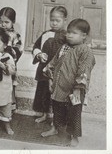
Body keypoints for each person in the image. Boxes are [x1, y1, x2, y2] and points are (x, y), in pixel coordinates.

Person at [41, 18, 96, 147]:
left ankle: (74, 137)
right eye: (68, 32)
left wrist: (78, 88)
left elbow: (84, 70)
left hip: (74, 90)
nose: (69, 35)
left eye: (73, 33)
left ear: (84, 36)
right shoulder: (64, 47)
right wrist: (50, 79)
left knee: (74, 113)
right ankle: (55, 128)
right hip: (59, 87)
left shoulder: (84, 51)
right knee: (57, 109)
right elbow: (53, 63)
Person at [32, 6, 67, 123]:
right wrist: (39, 54)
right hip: (44, 68)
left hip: (58, 69)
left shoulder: (66, 36)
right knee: (43, 92)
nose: (54, 23)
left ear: (64, 20)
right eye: (52, 20)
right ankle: (44, 113)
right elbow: (36, 47)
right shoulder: (45, 34)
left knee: (57, 93)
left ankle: (57, 117)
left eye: (58, 21)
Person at [0, 7, 23, 110]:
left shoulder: (15, 35)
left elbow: (18, 50)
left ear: (13, 22)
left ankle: (9, 107)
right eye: (1, 21)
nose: (3, 24)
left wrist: (7, 52)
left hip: (8, 64)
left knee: (9, 85)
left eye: (6, 22)